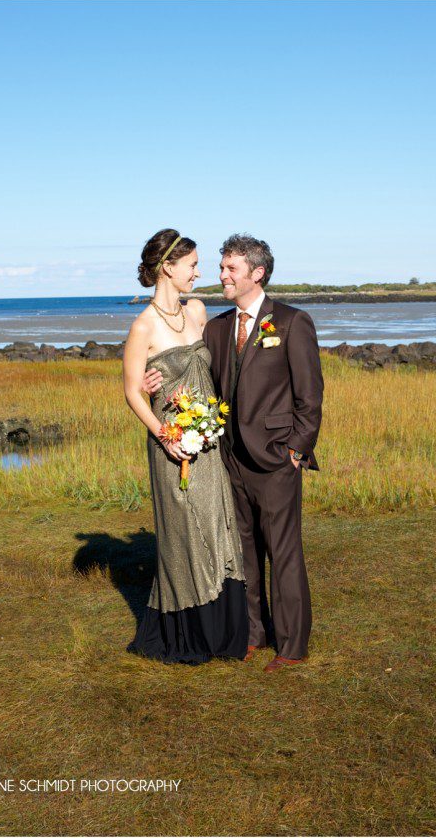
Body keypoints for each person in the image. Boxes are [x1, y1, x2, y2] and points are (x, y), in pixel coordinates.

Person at [143, 234, 324, 673]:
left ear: (256, 274)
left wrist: (297, 451)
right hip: (227, 461)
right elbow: (198, 378)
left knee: (283, 554)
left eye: (230, 269)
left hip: (278, 459)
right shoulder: (219, 327)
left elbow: (310, 396)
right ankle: (251, 636)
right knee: (244, 555)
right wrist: (156, 382)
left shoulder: (292, 322)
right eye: (221, 267)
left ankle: (291, 646)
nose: (221, 275)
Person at [122, 228, 249, 664]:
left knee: (216, 522)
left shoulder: (197, 310)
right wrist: (163, 433)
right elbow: (132, 393)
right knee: (183, 532)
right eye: (192, 265)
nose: (199, 273)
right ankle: (185, 633)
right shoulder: (143, 326)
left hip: (208, 442)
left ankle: (224, 630)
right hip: (171, 445)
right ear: (167, 268)